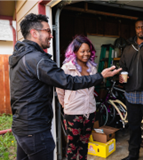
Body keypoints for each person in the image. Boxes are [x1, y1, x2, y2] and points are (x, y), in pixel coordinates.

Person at [9, 13, 121, 160]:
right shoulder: (37, 60)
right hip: (35, 129)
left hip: (23, 127)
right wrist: (101, 76)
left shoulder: (22, 56)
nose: (51, 35)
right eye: (48, 31)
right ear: (34, 33)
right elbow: (68, 82)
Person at [119, 17, 143, 160]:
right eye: (138, 27)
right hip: (131, 95)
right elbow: (123, 67)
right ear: (135, 29)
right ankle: (133, 155)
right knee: (134, 128)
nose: (141, 30)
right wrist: (121, 76)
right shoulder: (128, 48)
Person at [56, 35, 98, 160]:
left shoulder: (93, 68)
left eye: (88, 51)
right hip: (73, 112)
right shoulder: (67, 68)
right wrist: (67, 105)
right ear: (75, 52)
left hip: (89, 111)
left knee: (84, 144)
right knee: (72, 146)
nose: (86, 54)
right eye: (82, 51)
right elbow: (59, 90)